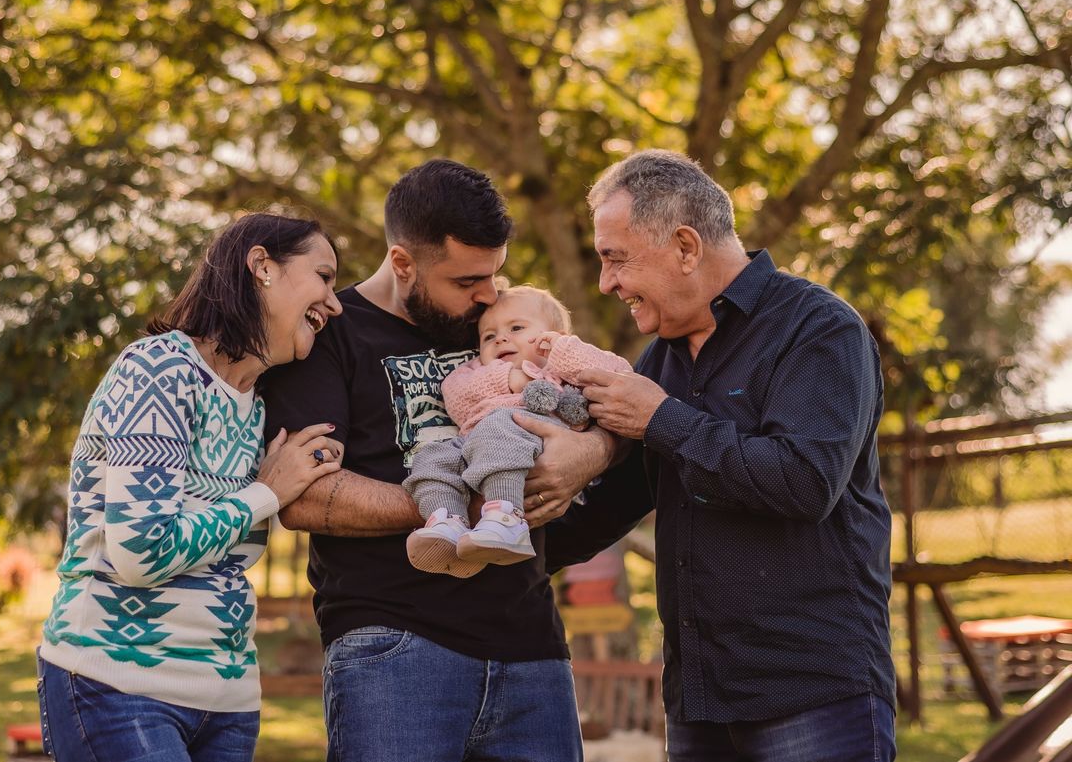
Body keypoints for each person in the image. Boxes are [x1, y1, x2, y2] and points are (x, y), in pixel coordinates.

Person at [543, 150, 896, 761]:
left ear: (685, 247)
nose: (606, 284)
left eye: (616, 259)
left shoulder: (819, 329)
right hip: (699, 704)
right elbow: (611, 506)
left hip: (812, 696)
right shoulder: (665, 359)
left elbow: (805, 482)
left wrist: (661, 418)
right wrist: (493, 547)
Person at [258, 160, 615, 762]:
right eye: (467, 280)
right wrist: (459, 506)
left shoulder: (498, 326)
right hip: (393, 650)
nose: (488, 295)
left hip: (532, 648)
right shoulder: (329, 338)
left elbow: (603, 400)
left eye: (494, 274)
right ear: (403, 263)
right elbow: (307, 497)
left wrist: (591, 451)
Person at [37, 213, 344, 762]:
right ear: (262, 267)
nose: (335, 302)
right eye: (324, 276)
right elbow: (140, 551)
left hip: (229, 700)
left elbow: (228, 554)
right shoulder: (160, 369)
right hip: (118, 686)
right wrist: (265, 494)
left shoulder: (257, 409)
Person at [404, 283, 631, 576]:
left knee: (502, 427)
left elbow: (619, 374)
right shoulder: (477, 370)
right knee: (431, 457)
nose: (500, 339)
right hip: (473, 442)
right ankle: (447, 521)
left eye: (516, 328)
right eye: (489, 336)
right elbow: (457, 398)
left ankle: (506, 519)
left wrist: (563, 350)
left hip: (534, 435)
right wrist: (510, 378)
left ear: (553, 337)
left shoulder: (563, 368)